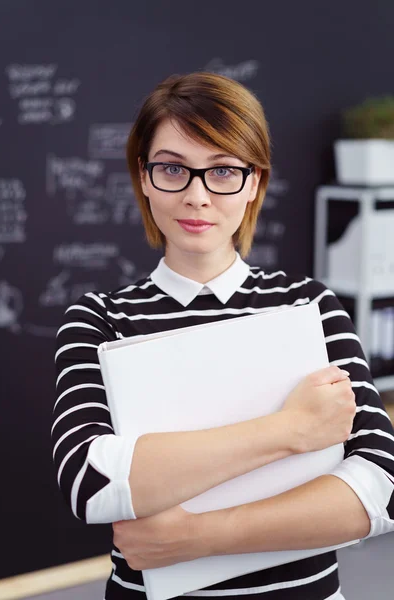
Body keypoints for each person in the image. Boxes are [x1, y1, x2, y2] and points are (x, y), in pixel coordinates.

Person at [52, 72, 394, 600]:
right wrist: (293, 429)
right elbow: (94, 484)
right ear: (143, 176)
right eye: (172, 169)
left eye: (223, 171)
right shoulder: (99, 319)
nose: (197, 196)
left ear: (254, 181)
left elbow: (377, 490)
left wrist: (197, 536)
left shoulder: (310, 306)